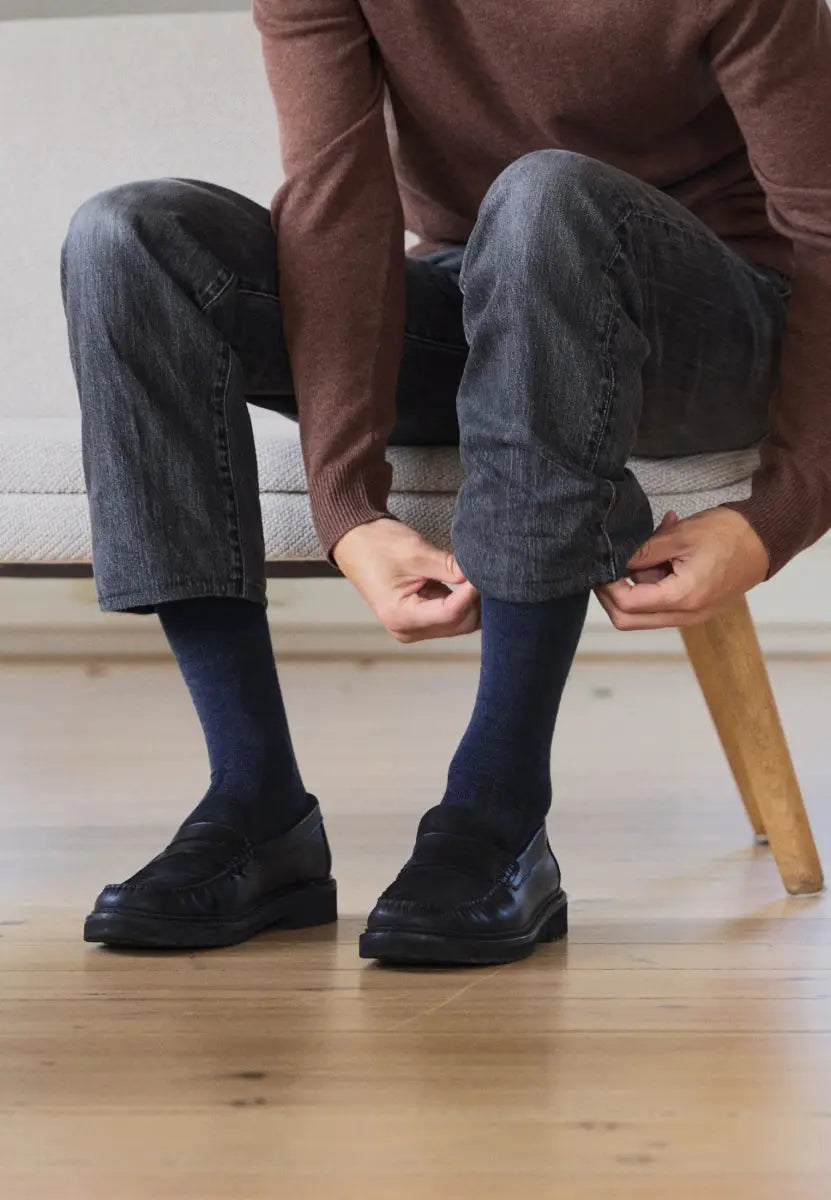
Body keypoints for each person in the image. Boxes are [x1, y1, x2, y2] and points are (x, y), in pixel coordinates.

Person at [61, 0, 831, 965]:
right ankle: (253, 805)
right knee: (129, 238)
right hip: (482, 288)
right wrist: (346, 505)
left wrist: (777, 517)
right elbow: (336, 202)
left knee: (545, 197)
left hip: (713, 325)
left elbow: (824, 231)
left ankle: (496, 811)